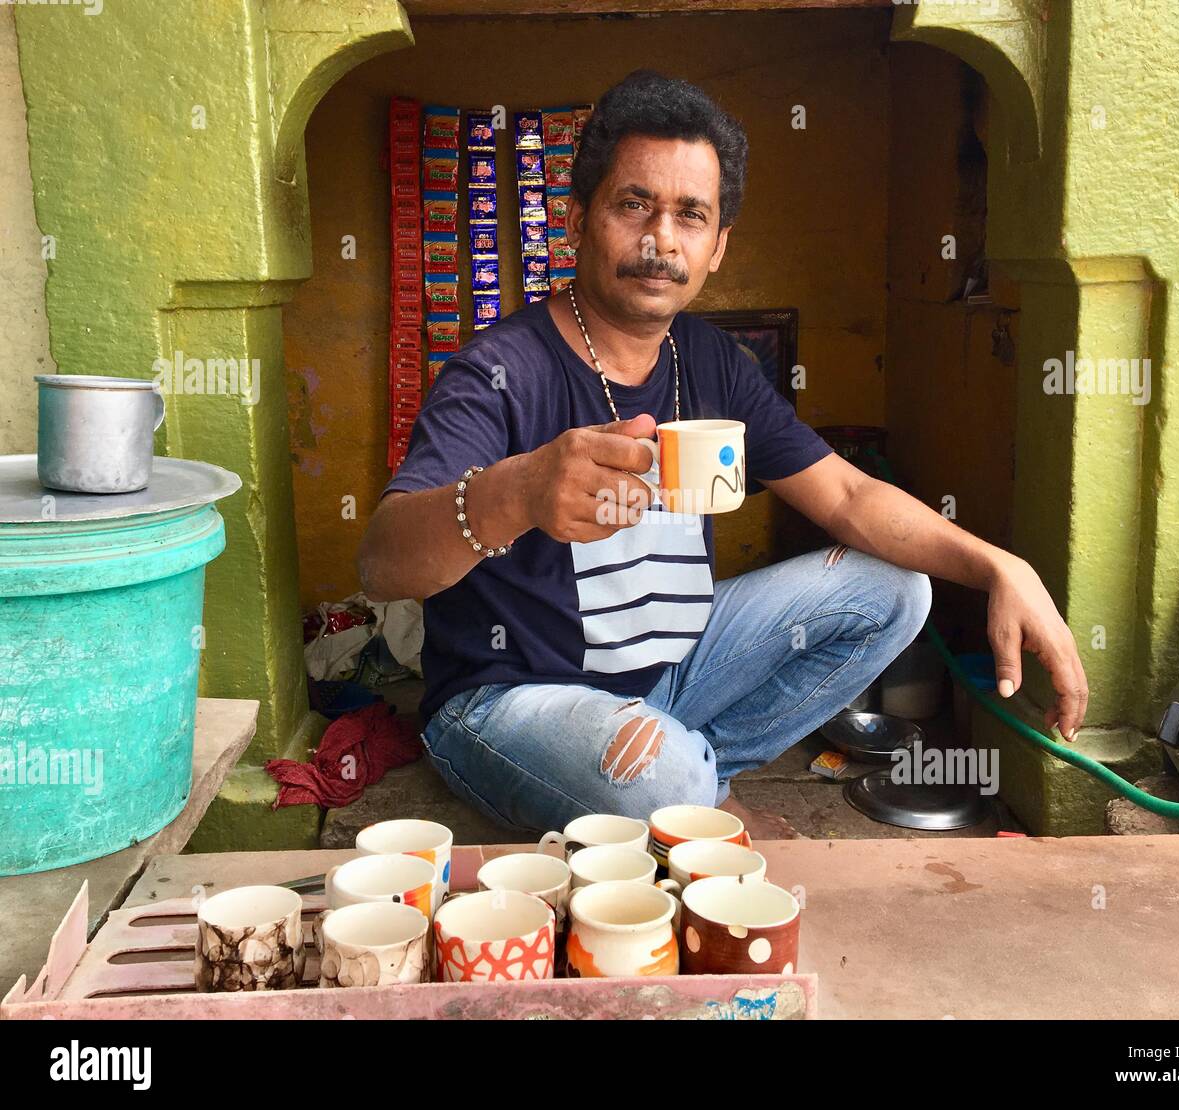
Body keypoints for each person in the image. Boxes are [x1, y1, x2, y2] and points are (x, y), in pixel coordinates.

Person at [358, 69, 1088, 839]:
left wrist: (1000, 566)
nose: (660, 239)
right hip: (505, 699)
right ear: (576, 220)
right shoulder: (500, 370)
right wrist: (521, 490)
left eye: (691, 215)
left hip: (670, 677)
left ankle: (692, 775)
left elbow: (846, 498)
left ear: (718, 247)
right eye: (633, 204)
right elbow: (382, 564)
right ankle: (690, 786)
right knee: (662, 782)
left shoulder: (716, 364)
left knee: (898, 590)